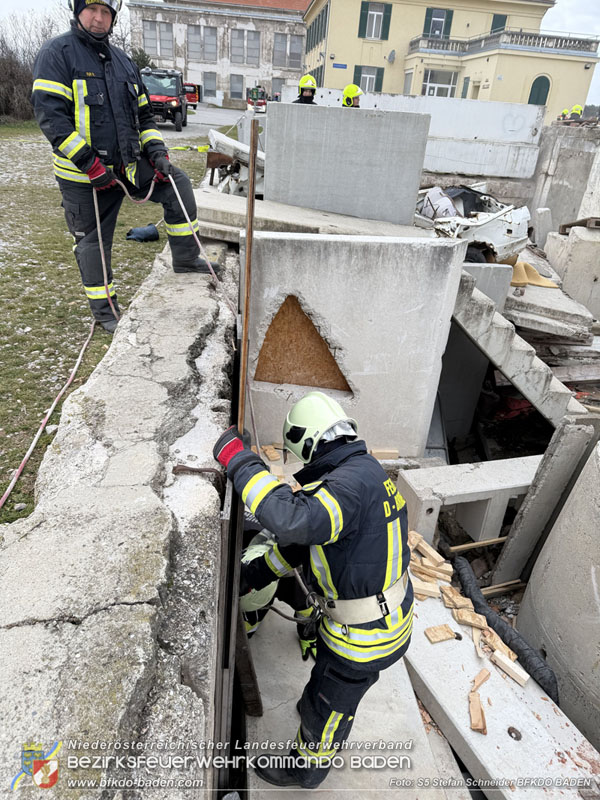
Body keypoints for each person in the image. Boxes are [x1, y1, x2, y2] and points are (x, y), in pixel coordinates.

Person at [213, 391, 414, 789]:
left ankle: (307, 769)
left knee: (329, 705)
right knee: (324, 686)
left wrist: (238, 459)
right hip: (373, 621)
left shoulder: (347, 487)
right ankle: (314, 722)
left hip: (365, 637)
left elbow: (289, 521)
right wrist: (250, 575)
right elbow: (301, 547)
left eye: (301, 455)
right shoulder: (363, 473)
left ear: (309, 441)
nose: (302, 466)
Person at [31, 0, 211, 334]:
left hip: (128, 167)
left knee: (178, 186)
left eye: (106, 13)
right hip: (83, 176)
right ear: (78, 11)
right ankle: (106, 313)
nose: (99, 19)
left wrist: (157, 153)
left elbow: (144, 116)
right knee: (93, 244)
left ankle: (186, 259)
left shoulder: (124, 62)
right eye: (92, 11)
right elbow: (52, 120)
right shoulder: (58, 53)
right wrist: (90, 165)